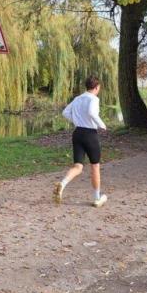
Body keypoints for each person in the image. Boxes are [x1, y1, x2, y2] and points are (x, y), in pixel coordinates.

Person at [54, 76, 108, 207]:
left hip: (77, 133)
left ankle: (63, 183)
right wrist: (102, 125)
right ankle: (97, 198)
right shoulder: (94, 98)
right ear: (96, 87)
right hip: (90, 134)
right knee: (95, 166)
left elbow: (65, 112)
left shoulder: (77, 99)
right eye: (98, 87)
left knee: (78, 166)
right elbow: (91, 112)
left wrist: (77, 121)